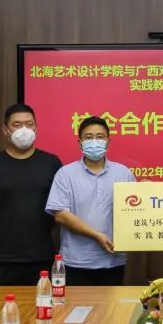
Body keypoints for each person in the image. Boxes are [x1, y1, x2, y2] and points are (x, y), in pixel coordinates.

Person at [0, 104, 62, 291]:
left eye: (29, 124)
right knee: (1, 307)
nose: (24, 129)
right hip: (3, 258)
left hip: (41, 255)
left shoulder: (51, 163)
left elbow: (59, 208)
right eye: (16, 124)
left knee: (42, 306)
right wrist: (0, 231)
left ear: (36, 128)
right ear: (5, 130)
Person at [45, 115, 135, 286]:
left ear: (108, 141)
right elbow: (61, 215)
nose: (94, 141)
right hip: (75, 262)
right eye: (88, 137)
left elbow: (136, 210)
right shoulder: (65, 174)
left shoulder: (124, 173)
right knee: (76, 305)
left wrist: (148, 193)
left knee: (111, 304)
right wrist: (96, 235)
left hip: (113, 260)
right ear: (80, 142)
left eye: (100, 137)